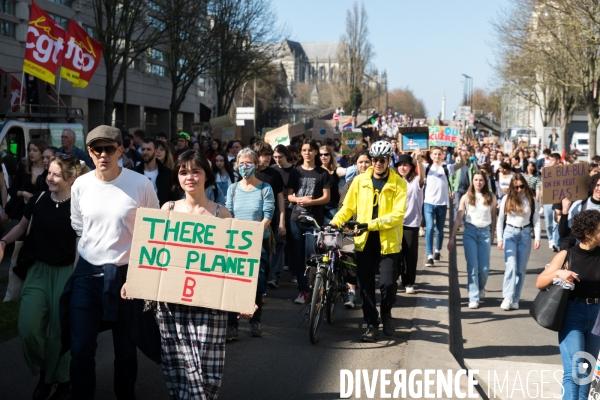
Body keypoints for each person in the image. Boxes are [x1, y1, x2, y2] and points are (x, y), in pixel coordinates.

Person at [123, 150, 235, 400]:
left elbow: (234, 264)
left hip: (209, 308)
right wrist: (134, 279)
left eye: (196, 171)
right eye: (183, 172)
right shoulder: (168, 209)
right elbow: (152, 253)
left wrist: (245, 298)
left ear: (207, 175)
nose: (190, 177)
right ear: (177, 177)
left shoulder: (222, 214)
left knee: (207, 372)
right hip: (172, 307)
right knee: (177, 369)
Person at [63, 125, 159, 399]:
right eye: (96, 149)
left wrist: (139, 275)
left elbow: (153, 231)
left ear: (120, 150)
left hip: (127, 277)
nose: (102, 155)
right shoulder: (81, 184)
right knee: (80, 349)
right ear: (90, 153)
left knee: (126, 353)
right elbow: (78, 226)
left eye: (108, 149)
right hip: (87, 276)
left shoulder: (140, 184)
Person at [0, 155, 84, 400]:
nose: (49, 177)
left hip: (66, 272)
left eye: (57, 174)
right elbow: (22, 226)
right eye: (49, 172)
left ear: (71, 179)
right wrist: (4, 241)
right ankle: (48, 371)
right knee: (28, 327)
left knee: (60, 331)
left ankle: (61, 381)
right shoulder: (39, 198)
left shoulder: (80, 205)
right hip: (37, 270)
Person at [331, 141, 407, 342]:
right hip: (364, 241)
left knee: (389, 284)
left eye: (382, 160)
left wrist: (369, 224)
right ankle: (371, 324)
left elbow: (397, 216)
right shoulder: (359, 181)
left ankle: (387, 312)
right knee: (365, 286)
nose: (378, 163)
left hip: (388, 241)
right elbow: (347, 207)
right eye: (375, 160)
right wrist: (335, 221)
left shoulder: (399, 183)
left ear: (389, 160)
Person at [535, 209, 600, 400]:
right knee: (574, 370)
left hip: (596, 316)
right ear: (588, 233)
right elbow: (540, 282)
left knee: (586, 371)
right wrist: (558, 274)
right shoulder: (567, 255)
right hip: (572, 314)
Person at [225, 148, 274, 340]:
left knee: (257, 282)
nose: (245, 167)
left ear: (256, 165)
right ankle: (232, 325)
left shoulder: (265, 188)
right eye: (241, 163)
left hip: (257, 243)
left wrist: (253, 234)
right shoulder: (233, 189)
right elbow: (229, 213)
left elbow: (268, 215)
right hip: (235, 243)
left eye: (249, 163)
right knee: (232, 282)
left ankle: (255, 321)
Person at [288, 139, 331, 304]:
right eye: (304, 150)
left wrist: (310, 202)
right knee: (298, 255)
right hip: (296, 218)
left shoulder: (322, 173)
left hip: (315, 220)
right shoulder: (295, 172)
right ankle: (302, 290)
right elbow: (289, 195)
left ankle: (315, 288)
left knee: (312, 254)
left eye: (310, 150)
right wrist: (299, 199)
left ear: (315, 152)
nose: (307, 153)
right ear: (301, 152)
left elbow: (326, 197)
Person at [448, 170, 497, 308]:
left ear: (485, 182)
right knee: (472, 267)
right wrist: (452, 237)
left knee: (484, 268)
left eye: (481, 180)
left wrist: (492, 234)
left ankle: (481, 287)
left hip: (485, 233)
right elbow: (458, 218)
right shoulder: (466, 197)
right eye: (476, 180)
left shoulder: (491, 197)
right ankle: (473, 297)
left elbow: (494, 217)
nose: (478, 182)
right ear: (472, 181)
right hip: (470, 232)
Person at [496, 173, 541, 311]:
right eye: (516, 187)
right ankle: (507, 297)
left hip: (526, 233)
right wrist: (499, 238)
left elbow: (536, 220)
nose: (519, 190)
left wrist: (537, 238)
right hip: (510, 233)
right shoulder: (507, 199)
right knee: (511, 266)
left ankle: (516, 298)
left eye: (522, 186)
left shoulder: (531, 199)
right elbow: (500, 220)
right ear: (512, 187)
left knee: (521, 269)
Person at [423, 146, 466, 266]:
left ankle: (438, 250)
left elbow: (463, 163)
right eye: (434, 154)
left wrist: (460, 153)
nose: (437, 156)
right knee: (430, 227)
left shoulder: (447, 168)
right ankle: (429, 255)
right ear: (431, 156)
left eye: (439, 154)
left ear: (443, 155)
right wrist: (415, 156)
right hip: (428, 203)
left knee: (440, 230)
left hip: (442, 204)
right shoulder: (426, 168)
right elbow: (414, 164)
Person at [397, 150, 425, 294]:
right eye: (400, 165)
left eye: (406, 165)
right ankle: (396, 277)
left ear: (410, 167)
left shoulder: (415, 181)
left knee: (410, 255)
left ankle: (408, 282)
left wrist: (419, 160)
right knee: (395, 253)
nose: (403, 168)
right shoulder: (394, 180)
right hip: (395, 223)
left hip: (411, 223)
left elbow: (422, 177)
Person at [268, 145, 295, 287]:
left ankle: (294, 270)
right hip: (274, 207)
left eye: (280, 157)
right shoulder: (272, 170)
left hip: (290, 207)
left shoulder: (294, 170)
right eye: (275, 157)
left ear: (286, 156)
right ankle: (274, 274)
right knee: (278, 241)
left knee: (290, 241)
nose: (278, 160)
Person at [9, 139, 48, 221]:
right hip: (23, 211)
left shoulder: (49, 170)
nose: (31, 153)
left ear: (42, 152)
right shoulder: (23, 168)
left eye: (35, 150)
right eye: (29, 150)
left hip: (42, 212)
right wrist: (23, 193)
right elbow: (12, 190)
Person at [133, 138, 175, 207]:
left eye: (148, 149)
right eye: (143, 149)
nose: (145, 152)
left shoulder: (168, 173)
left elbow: (173, 199)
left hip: (161, 214)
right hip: (138, 214)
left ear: (156, 151)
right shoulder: (134, 173)